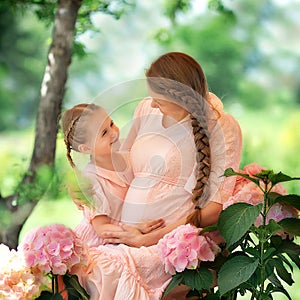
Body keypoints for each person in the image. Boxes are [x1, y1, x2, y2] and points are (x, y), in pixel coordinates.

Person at [72, 52, 243, 299]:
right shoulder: (146, 109)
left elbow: (214, 209)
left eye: (158, 99)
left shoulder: (223, 128)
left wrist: (148, 238)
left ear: (180, 97)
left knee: (104, 271)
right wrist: (86, 182)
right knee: (71, 265)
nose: (151, 104)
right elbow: (122, 163)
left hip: (168, 240)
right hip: (124, 230)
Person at [61, 104, 165, 248]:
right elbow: (102, 228)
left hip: (127, 233)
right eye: (104, 132)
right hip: (101, 242)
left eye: (111, 124)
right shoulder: (91, 180)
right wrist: (135, 229)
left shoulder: (127, 156)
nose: (114, 133)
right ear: (86, 148)